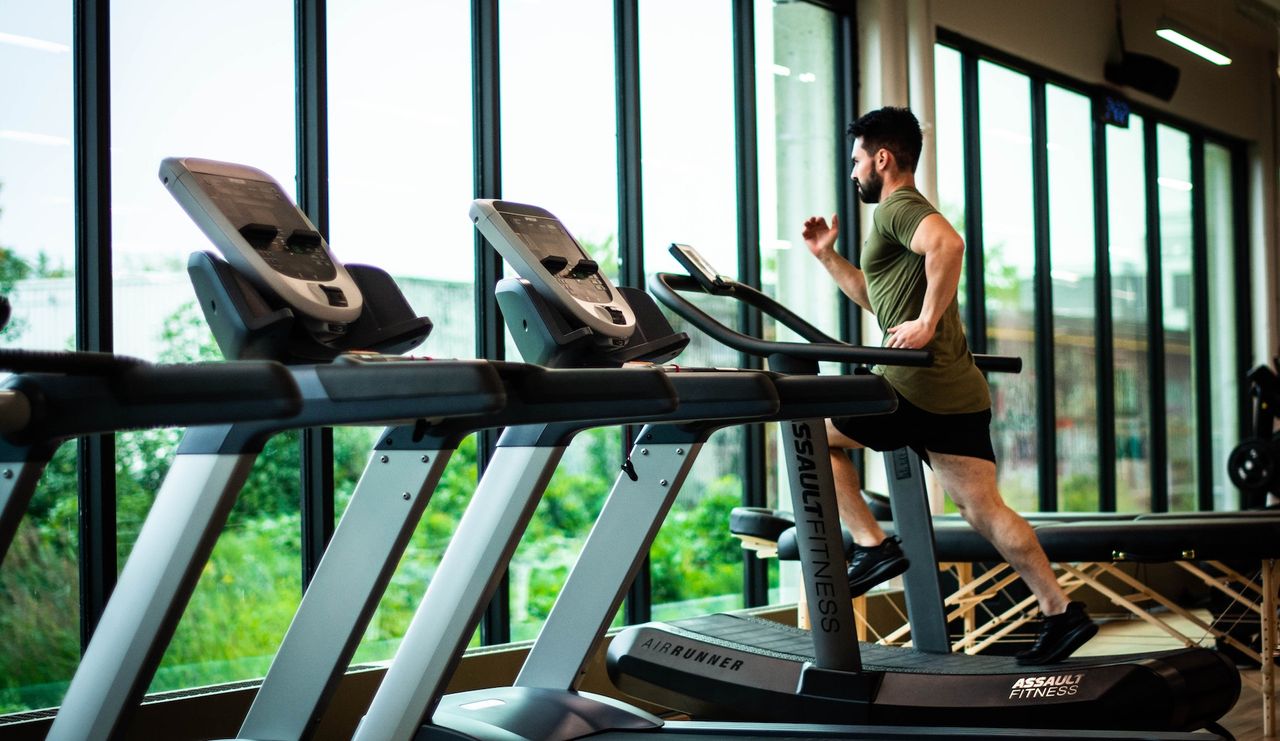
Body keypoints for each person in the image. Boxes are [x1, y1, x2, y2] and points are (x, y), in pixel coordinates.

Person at [802, 106, 1096, 665]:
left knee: (809, 431)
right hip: (956, 390)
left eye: (857, 160)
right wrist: (828, 257)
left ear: (881, 159)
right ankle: (1061, 611)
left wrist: (928, 323)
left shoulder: (899, 208)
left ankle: (872, 546)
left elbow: (950, 246)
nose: (853, 172)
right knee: (985, 510)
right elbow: (877, 298)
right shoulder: (899, 218)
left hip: (910, 385)